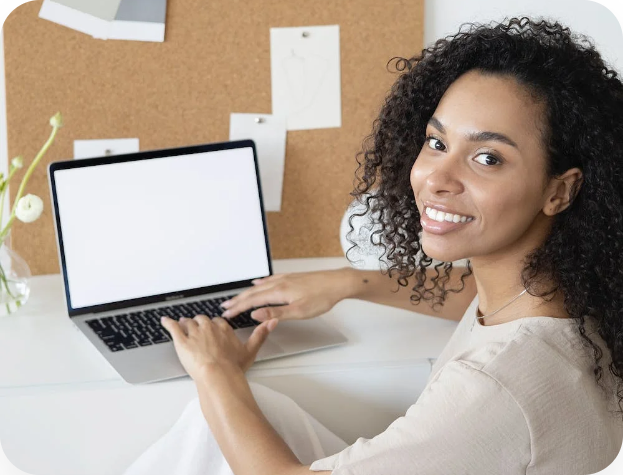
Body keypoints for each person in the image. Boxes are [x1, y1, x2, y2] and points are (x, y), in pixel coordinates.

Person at [124, 17, 623, 475]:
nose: (437, 178)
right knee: (253, 414)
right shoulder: (561, 297)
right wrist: (348, 282)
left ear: (560, 190)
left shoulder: (496, 386)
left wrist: (215, 370)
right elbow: (470, 299)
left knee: (217, 412)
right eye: (437, 142)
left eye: (488, 158)